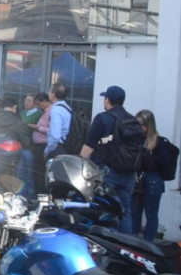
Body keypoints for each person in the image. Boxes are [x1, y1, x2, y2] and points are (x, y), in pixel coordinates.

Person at [80, 85, 136, 234]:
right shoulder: (132, 120)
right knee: (125, 212)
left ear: (108, 100)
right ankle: (125, 247)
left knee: (105, 210)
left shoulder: (102, 118)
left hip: (107, 173)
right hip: (128, 174)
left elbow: (88, 147)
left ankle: (107, 246)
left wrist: (79, 166)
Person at [132, 109, 171, 241]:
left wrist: (146, 155)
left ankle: (148, 244)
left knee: (151, 215)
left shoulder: (159, 142)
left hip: (153, 181)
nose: (139, 128)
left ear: (149, 126)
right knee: (135, 214)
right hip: (138, 181)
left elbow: (163, 162)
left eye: (142, 125)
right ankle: (133, 243)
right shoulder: (136, 140)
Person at [29, 92, 51, 193]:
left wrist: (37, 127)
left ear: (45, 101)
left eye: (38, 104)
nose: (38, 107)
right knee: (37, 172)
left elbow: (51, 131)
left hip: (43, 146)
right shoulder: (45, 112)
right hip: (38, 145)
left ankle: (40, 195)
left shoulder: (51, 112)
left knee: (40, 173)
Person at [44, 83, 72, 160]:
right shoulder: (67, 108)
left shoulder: (56, 110)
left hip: (58, 149)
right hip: (67, 147)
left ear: (53, 94)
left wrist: (47, 151)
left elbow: (55, 136)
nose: (48, 93)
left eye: (50, 91)